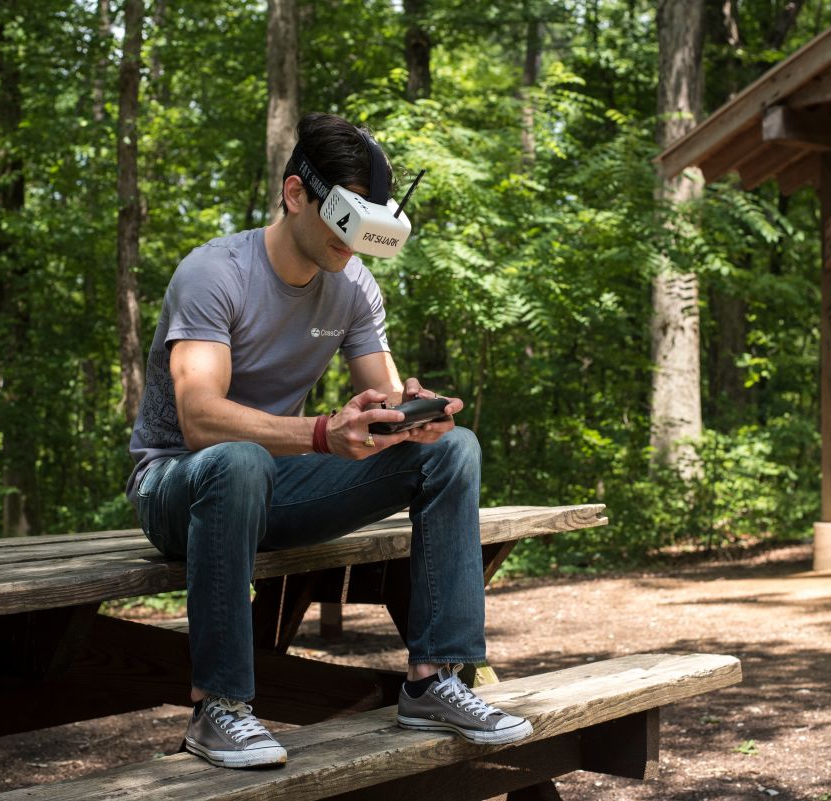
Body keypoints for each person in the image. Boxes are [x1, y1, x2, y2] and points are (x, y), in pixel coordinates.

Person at [125, 112, 532, 769]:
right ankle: (218, 708)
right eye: (344, 218)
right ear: (295, 194)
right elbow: (199, 418)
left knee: (450, 450)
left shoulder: (352, 289)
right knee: (235, 460)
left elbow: (386, 395)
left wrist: (410, 415)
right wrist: (322, 431)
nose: (354, 241)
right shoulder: (213, 273)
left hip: (274, 484)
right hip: (180, 484)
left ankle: (435, 680)